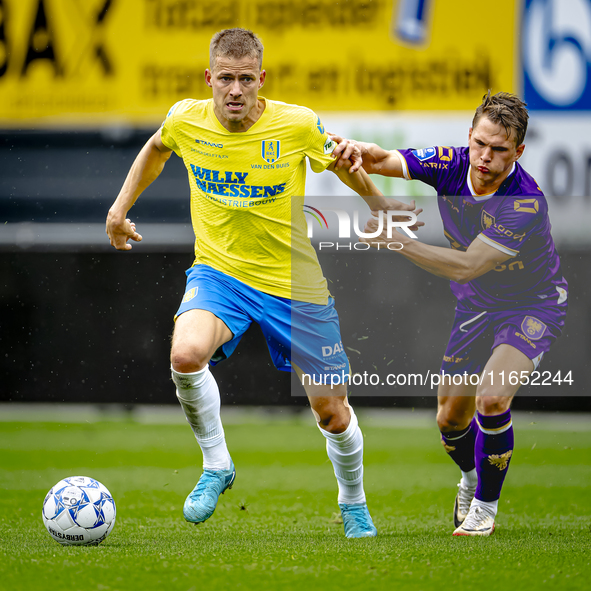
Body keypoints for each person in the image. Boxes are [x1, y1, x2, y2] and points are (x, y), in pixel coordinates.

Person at [105, 28, 417, 538]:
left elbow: (344, 165)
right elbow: (157, 147)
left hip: (294, 284)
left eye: (244, 79)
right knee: (185, 356)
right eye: (224, 78)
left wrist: (381, 209)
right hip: (220, 274)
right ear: (209, 78)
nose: (233, 90)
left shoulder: (295, 124)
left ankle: (353, 501)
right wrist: (119, 210)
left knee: (333, 413)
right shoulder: (186, 118)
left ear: (261, 80)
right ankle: (216, 465)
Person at [332, 91, 568, 536]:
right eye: (479, 143)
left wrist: (396, 240)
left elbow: (466, 265)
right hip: (477, 304)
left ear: (518, 151)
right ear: (469, 137)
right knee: (449, 421)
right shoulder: (452, 163)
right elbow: (382, 158)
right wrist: (355, 150)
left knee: (493, 398)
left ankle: (484, 507)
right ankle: (473, 476)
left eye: (499, 149)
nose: (484, 157)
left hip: (531, 304)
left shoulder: (524, 203)